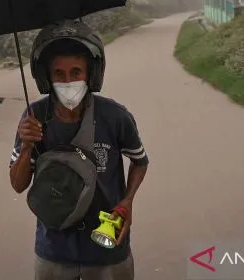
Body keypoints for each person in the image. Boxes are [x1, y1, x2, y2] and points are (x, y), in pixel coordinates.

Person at [8, 20, 148, 280]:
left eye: (76, 72)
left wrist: (127, 202)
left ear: (91, 74)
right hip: (54, 247)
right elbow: (17, 185)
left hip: (107, 242)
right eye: (59, 74)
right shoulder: (34, 117)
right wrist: (27, 145)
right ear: (46, 77)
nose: (68, 81)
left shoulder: (115, 116)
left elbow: (140, 161)